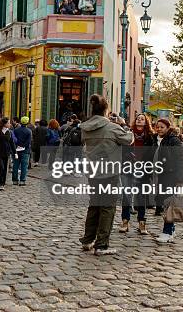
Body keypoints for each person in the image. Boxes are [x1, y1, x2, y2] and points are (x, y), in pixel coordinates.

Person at [79, 94, 134, 255]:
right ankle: (102, 244)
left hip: (93, 171)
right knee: (107, 208)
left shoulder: (85, 127)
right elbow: (129, 139)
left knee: (94, 205)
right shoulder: (112, 127)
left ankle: (88, 239)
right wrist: (123, 125)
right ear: (106, 110)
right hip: (109, 171)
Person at [152, 118, 183, 243]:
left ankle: (167, 232)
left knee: (169, 205)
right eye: (157, 127)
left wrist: (179, 180)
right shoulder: (164, 140)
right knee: (168, 204)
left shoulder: (174, 141)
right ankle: (170, 230)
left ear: (168, 127)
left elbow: (181, 161)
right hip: (164, 176)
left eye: (162, 127)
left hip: (172, 177)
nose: (159, 129)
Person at [119, 113, 154, 235]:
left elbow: (153, 154)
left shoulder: (150, 136)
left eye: (142, 119)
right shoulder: (128, 133)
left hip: (143, 169)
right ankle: (125, 221)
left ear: (146, 122)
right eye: (138, 118)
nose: (139, 120)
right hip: (128, 167)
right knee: (126, 195)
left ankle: (142, 222)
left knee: (141, 196)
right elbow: (122, 149)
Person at [12, 116, 32, 186]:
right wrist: (23, 146)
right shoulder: (29, 131)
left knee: (15, 165)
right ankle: (22, 181)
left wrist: (18, 145)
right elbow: (28, 141)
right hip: (25, 150)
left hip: (16, 150)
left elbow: (14, 140)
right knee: (24, 166)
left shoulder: (16, 130)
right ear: (27, 123)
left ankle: (15, 180)